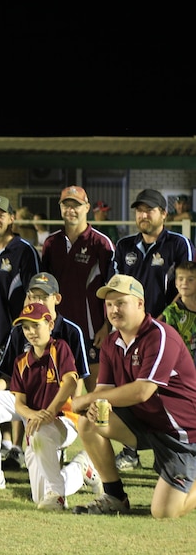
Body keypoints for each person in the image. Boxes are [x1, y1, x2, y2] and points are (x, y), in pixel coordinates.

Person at [71, 274, 196, 518]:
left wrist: (86, 399)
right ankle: (114, 496)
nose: (113, 310)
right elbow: (104, 392)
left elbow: (142, 391)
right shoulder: (110, 342)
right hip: (147, 424)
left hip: (183, 435)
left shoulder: (160, 336)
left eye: (120, 303)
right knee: (88, 420)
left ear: (140, 303)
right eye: (109, 304)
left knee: (164, 512)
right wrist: (93, 404)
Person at [0, 272, 91, 492]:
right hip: (28, 405)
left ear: (56, 299)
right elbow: (10, 375)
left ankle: (80, 468)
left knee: (48, 489)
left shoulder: (70, 332)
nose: (37, 301)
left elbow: (77, 381)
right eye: (32, 296)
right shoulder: (22, 329)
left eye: (43, 297)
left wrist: (61, 413)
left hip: (59, 411)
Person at [112, 188, 194, 471]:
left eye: (149, 210)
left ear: (163, 214)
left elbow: (186, 283)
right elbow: (115, 287)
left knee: (168, 392)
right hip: (132, 333)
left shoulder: (178, 243)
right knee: (131, 388)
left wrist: (161, 321)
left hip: (168, 332)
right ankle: (130, 450)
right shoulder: (124, 246)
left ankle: (176, 450)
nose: (143, 215)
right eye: (139, 210)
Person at [8, 302, 100, 510]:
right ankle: (80, 468)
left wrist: (48, 413)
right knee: (39, 497)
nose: (30, 332)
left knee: (39, 436)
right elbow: (19, 404)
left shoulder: (60, 348)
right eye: (25, 327)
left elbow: (70, 382)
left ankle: (58, 496)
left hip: (66, 420)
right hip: (40, 425)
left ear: (50, 325)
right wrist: (36, 415)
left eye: (36, 325)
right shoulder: (21, 362)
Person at [41, 186, 114, 396]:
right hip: (60, 330)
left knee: (98, 395)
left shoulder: (101, 244)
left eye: (77, 206)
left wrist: (106, 326)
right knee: (63, 394)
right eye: (66, 205)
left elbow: (112, 290)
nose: (71, 210)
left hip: (92, 332)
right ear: (61, 208)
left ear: (87, 208)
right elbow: (44, 290)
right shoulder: (51, 243)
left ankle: (99, 430)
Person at [0, 195, 40, 380]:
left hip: (15, 335)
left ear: (11, 218)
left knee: (20, 385)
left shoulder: (25, 251)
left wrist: (27, 331)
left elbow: (36, 296)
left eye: (1, 215)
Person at [159, 260, 196, 359]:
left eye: (190, 279)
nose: (185, 283)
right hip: (182, 368)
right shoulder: (171, 313)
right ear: (175, 283)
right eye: (181, 279)